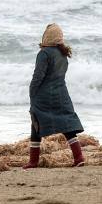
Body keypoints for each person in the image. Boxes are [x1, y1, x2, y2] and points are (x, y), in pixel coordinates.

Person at [24, 23, 85, 169]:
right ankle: (79, 157)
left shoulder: (44, 54)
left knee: (36, 125)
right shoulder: (62, 54)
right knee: (68, 126)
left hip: (44, 95)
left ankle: (33, 161)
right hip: (61, 94)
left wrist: (32, 92)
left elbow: (38, 76)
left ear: (46, 37)